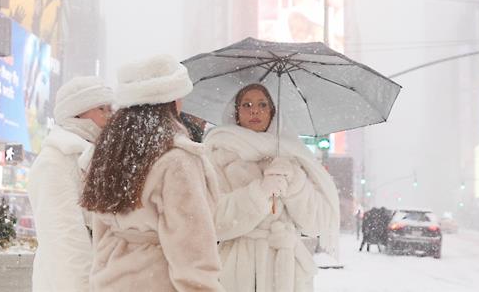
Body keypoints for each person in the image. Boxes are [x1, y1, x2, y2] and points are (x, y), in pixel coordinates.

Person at [81, 55, 223, 292]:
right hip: (157, 280)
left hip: (111, 280)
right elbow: (191, 247)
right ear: (170, 100)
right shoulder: (177, 159)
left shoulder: (111, 153)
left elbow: (101, 230)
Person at [203, 83, 340, 292]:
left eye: (262, 104)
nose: (255, 111)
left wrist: (294, 183)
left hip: (287, 272)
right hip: (238, 271)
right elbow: (213, 220)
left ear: (272, 112)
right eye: (247, 105)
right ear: (236, 112)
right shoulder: (218, 154)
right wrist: (259, 193)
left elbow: (316, 223)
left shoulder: (292, 156)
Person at [28, 76, 113, 292]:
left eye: (110, 108)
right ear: (77, 112)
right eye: (101, 108)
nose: (110, 115)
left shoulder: (96, 156)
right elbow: (64, 239)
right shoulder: (56, 160)